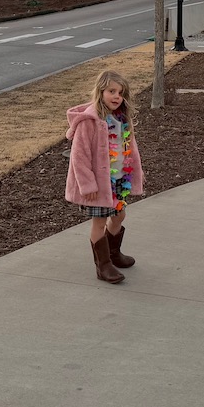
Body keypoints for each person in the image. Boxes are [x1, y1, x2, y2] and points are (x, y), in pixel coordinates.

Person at [64, 69, 144, 284]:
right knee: (99, 222)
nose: (117, 97)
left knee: (119, 216)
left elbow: (130, 149)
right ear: (100, 92)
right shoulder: (90, 122)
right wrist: (88, 185)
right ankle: (103, 265)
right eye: (112, 91)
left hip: (119, 180)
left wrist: (136, 174)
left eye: (121, 93)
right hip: (98, 184)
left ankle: (113, 253)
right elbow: (79, 157)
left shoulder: (122, 119)